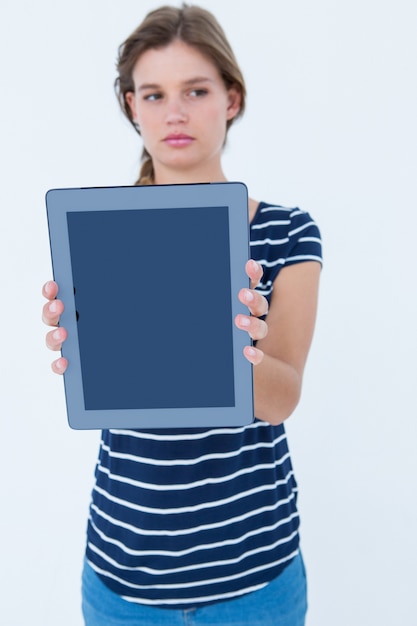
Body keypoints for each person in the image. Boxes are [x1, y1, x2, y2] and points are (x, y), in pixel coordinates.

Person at [42, 4, 322, 625]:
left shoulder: (285, 233)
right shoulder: (100, 235)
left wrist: (228, 335)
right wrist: (78, 353)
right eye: (153, 93)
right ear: (131, 107)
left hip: (255, 581)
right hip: (122, 578)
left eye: (196, 90)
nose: (174, 111)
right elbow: (113, 399)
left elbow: (280, 399)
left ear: (231, 99)